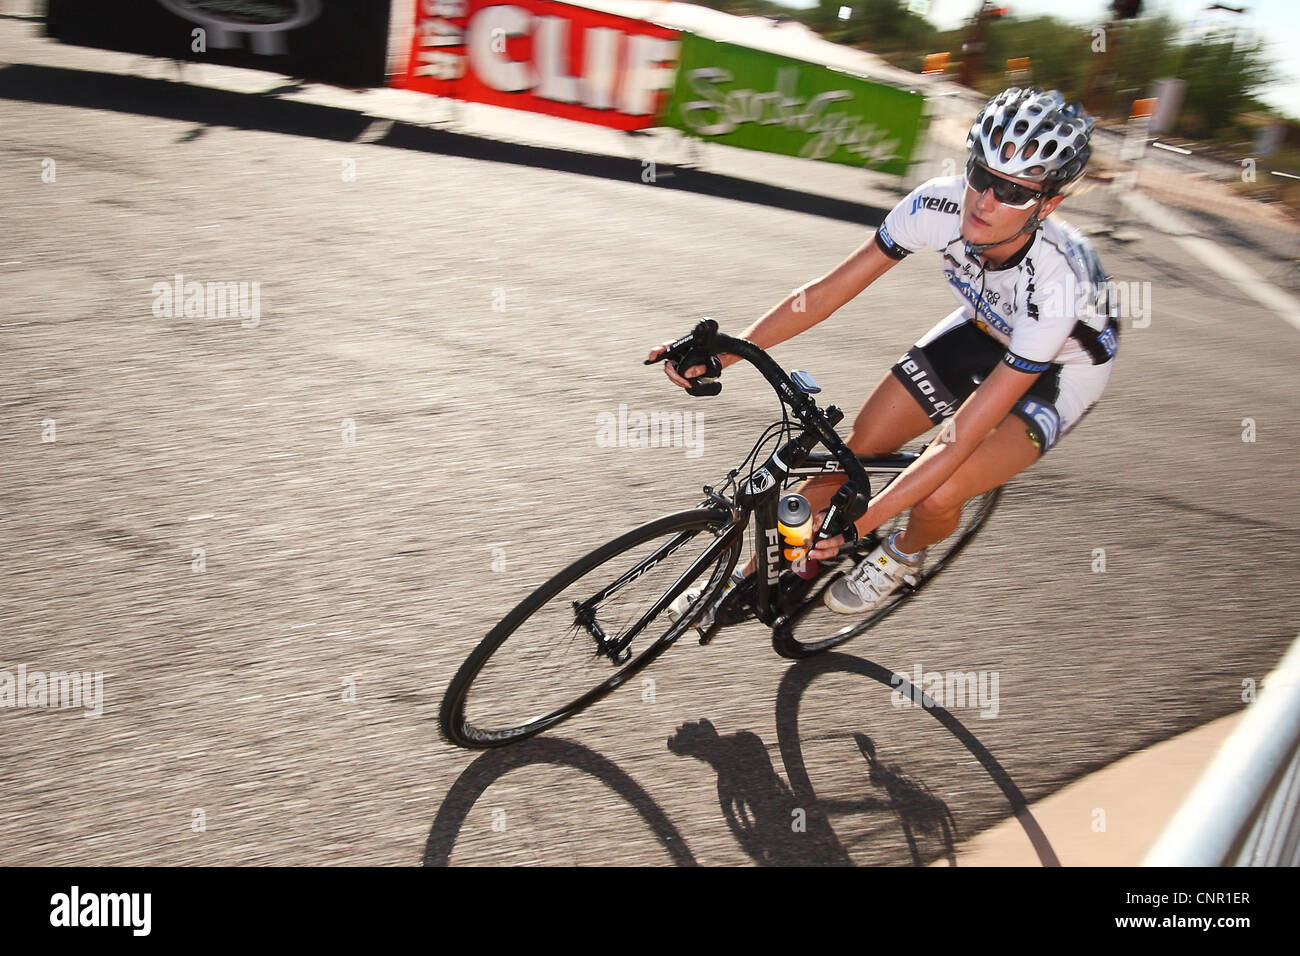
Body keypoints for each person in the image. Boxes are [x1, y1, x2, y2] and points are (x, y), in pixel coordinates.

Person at [650, 87, 1119, 623]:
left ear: (1048, 204)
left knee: (939, 494)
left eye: (1013, 192)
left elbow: (957, 438)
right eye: (981, 176)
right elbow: (823, 296)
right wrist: (727, 354)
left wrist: (864, 526)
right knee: (854, 455)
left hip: (1059, 371)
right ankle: (748, 571)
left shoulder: (1056, 285)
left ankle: (904, 554)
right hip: (985, 327)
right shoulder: (938, 203)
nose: (985, 201)